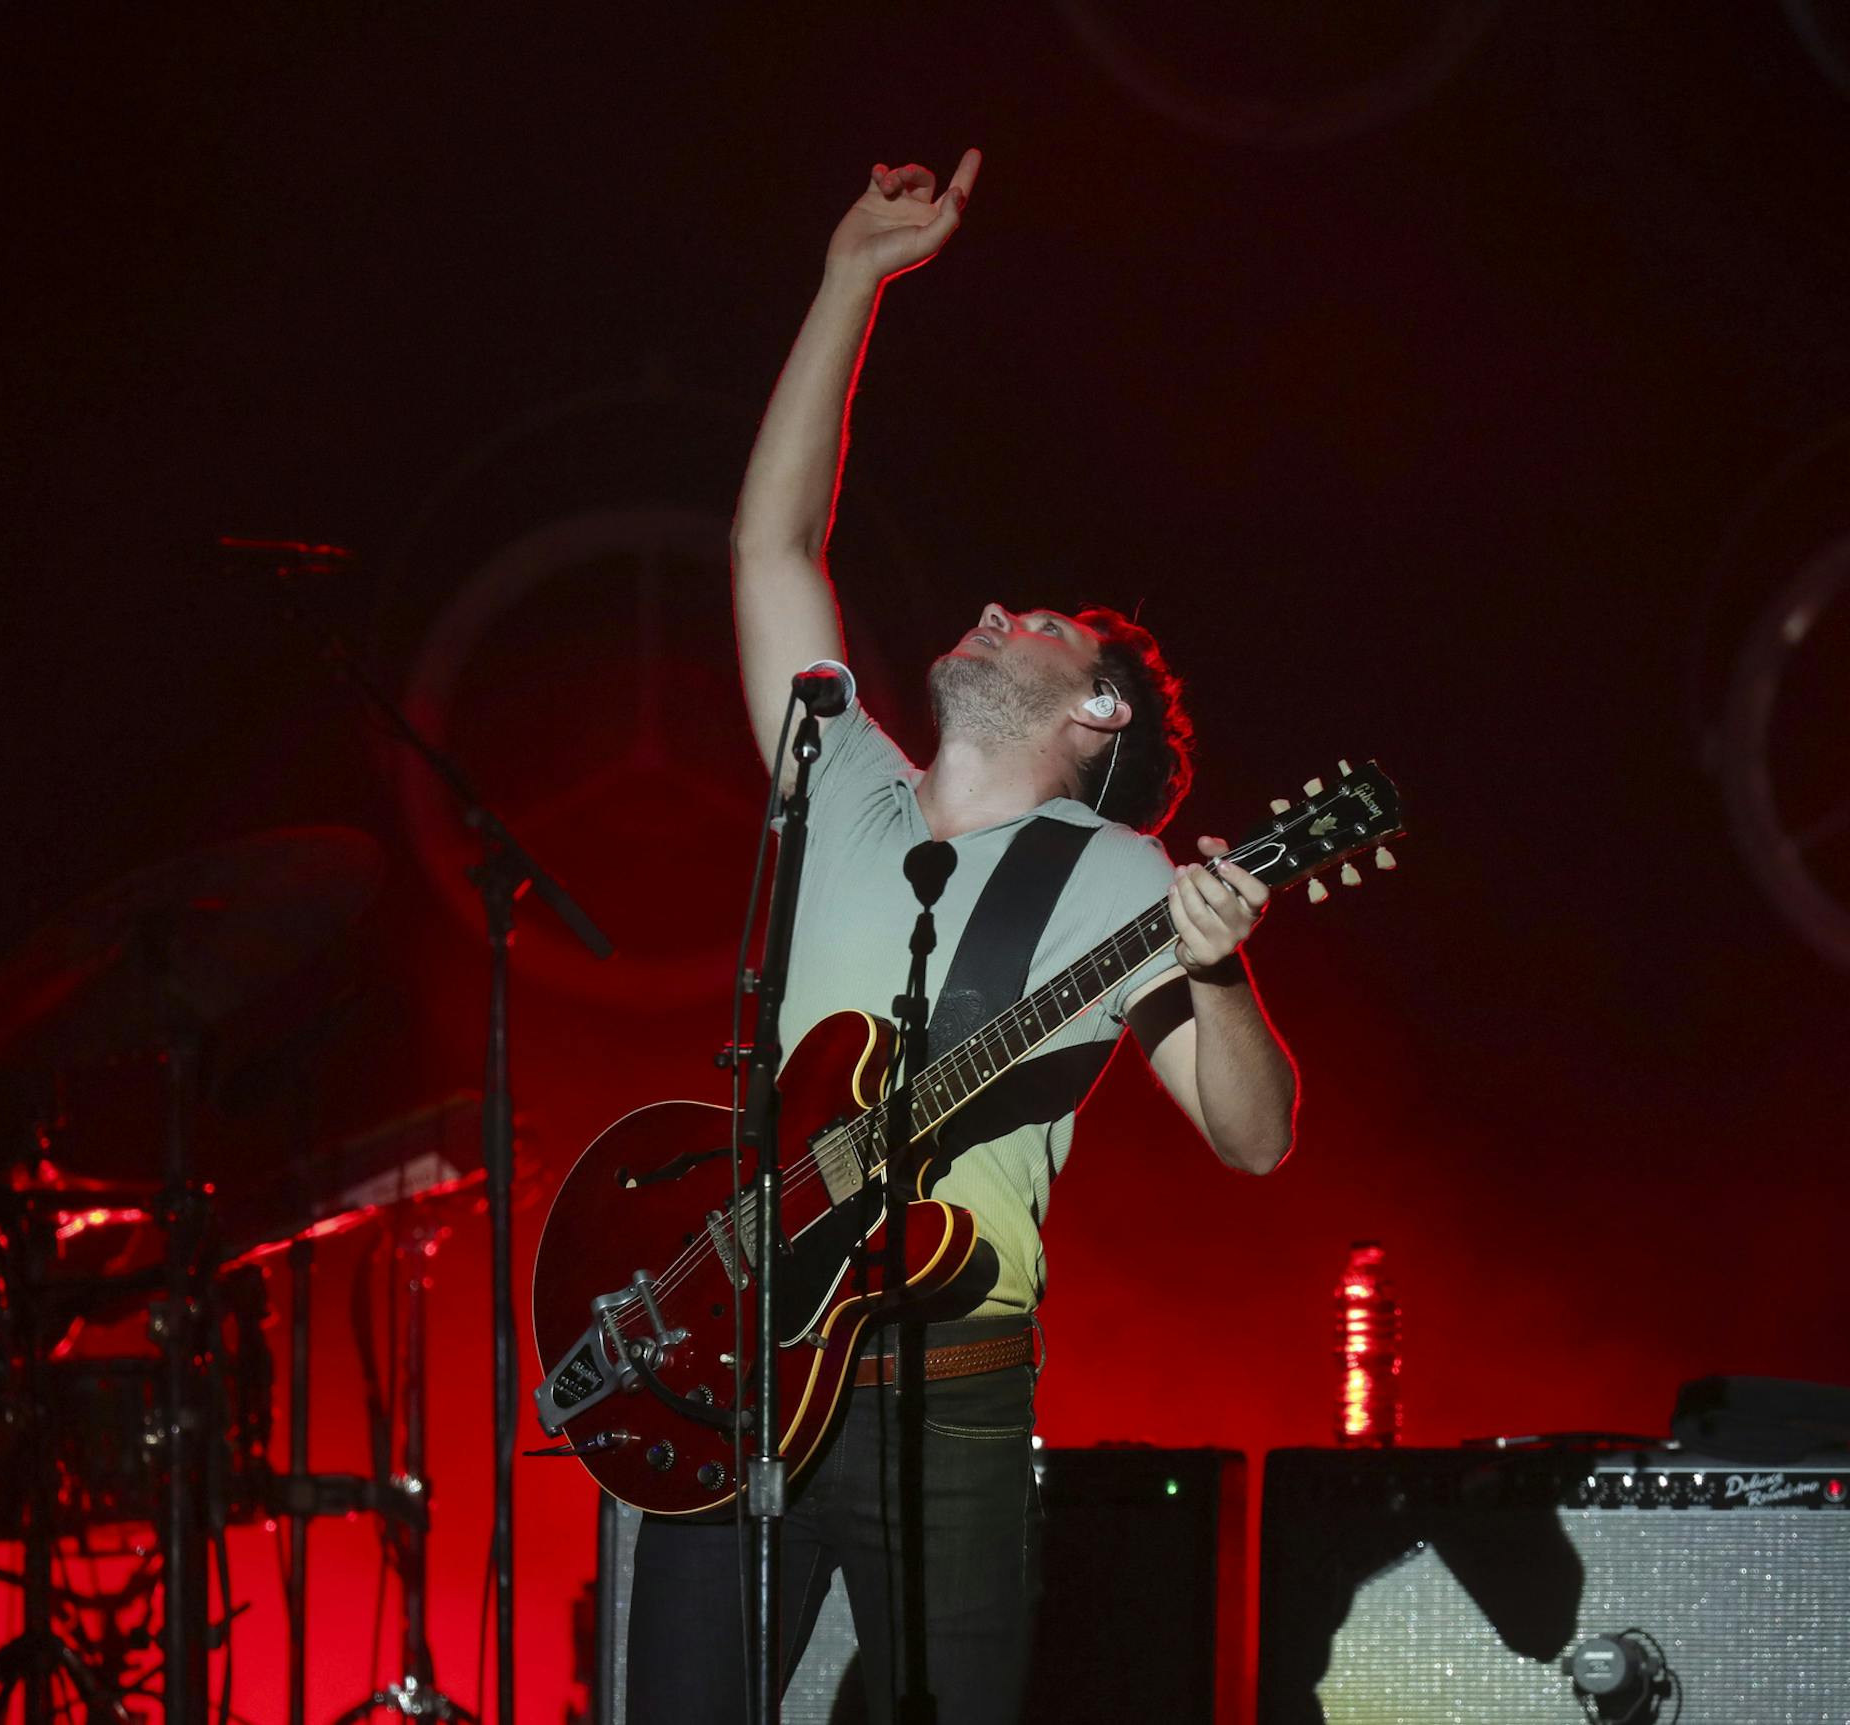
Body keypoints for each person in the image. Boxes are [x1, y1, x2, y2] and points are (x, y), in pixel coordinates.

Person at [625, 149, 1297, 1725]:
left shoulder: (1127, 878)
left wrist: (1213, 960)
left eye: (1045, 624)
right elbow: (772, 552)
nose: (1000, 607)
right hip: (748, 1344)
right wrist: (851, 280)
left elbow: (1254, 1139)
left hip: (957, 1385)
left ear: (1098, 708)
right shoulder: (839, 769)